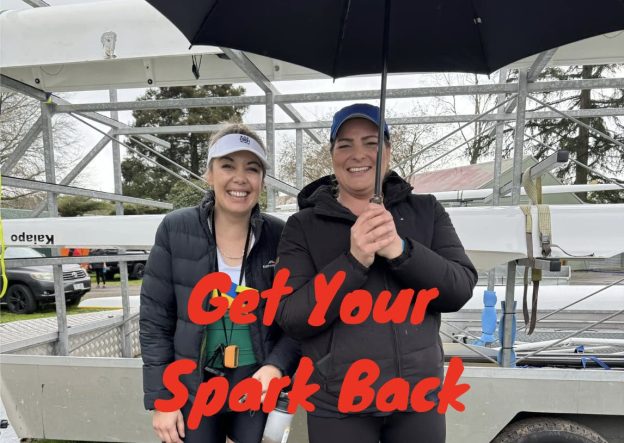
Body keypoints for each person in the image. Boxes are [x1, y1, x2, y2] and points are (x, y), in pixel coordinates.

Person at [275, 103, 478, 443]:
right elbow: (292, 316)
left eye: (371, 142)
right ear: (332, 154)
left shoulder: (426, 210)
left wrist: (401, 251)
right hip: (336, 402)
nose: (358, 154)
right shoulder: (302, 226)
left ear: (388, 150)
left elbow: (458, 289)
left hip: (417, 399)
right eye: (345, 144)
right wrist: (352, 261)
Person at [140, 124, 300, 443]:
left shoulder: (280, 236)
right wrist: (162, 400)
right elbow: (155, 322)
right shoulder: (176, 229)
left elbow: (297, 319)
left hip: (255, 388)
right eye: (227, 165)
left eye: (251, 168)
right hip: (193, 390)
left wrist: (276, 367)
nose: (240, 178)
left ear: (262, 181)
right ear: (209, 174)